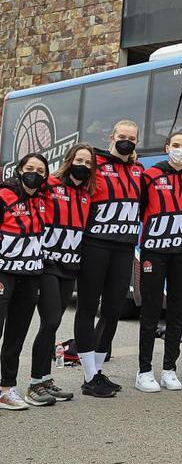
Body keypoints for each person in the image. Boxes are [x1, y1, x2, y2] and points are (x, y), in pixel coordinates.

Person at [76, 119, 143, 397]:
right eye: (122, 136)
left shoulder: (139, 170)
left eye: (132, 137)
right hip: (95, 245)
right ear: (112, 137)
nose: (126, 141)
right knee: (88, 307)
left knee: (113, 309)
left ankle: (98, 371)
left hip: (124, 248)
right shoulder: (95, 164)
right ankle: (89, 375)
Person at [135, 132, 182, 392]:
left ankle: (169, 369)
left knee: (177, 312)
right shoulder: (151, 175)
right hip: (154, 251)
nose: (179, 150)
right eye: (175, 145)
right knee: (151, 311)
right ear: (167, 148)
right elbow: (141, 208)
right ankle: (144, 371)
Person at [26, 145, 96, 405]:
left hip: (71, 266)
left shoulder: (88, 193)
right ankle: (34, 384)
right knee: (51, 320)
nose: (83, 165)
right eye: (79, 160)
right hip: (48, 264)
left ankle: (45, 379)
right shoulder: (51, 184)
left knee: (53, 323)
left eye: (88, 163)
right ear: (69, 161)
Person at [0, 153, 48, 410]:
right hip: (3, 272)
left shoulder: (43, 199)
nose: (35, 173)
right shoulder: (3, 194)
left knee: (16, 334)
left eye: (40, 170)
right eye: (30, 168)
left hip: (30, 275)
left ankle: (7, 388)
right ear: (19, 169)